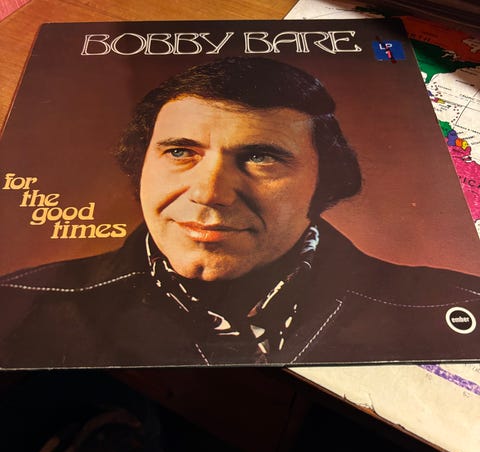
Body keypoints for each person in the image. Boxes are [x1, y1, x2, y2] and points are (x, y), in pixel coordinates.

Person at [0, 56, 479, 368]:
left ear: (325, 180)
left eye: (260, 157)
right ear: (140, 164)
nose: (210, 193)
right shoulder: (17, 303)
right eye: (180, 152)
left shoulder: (455, 307)